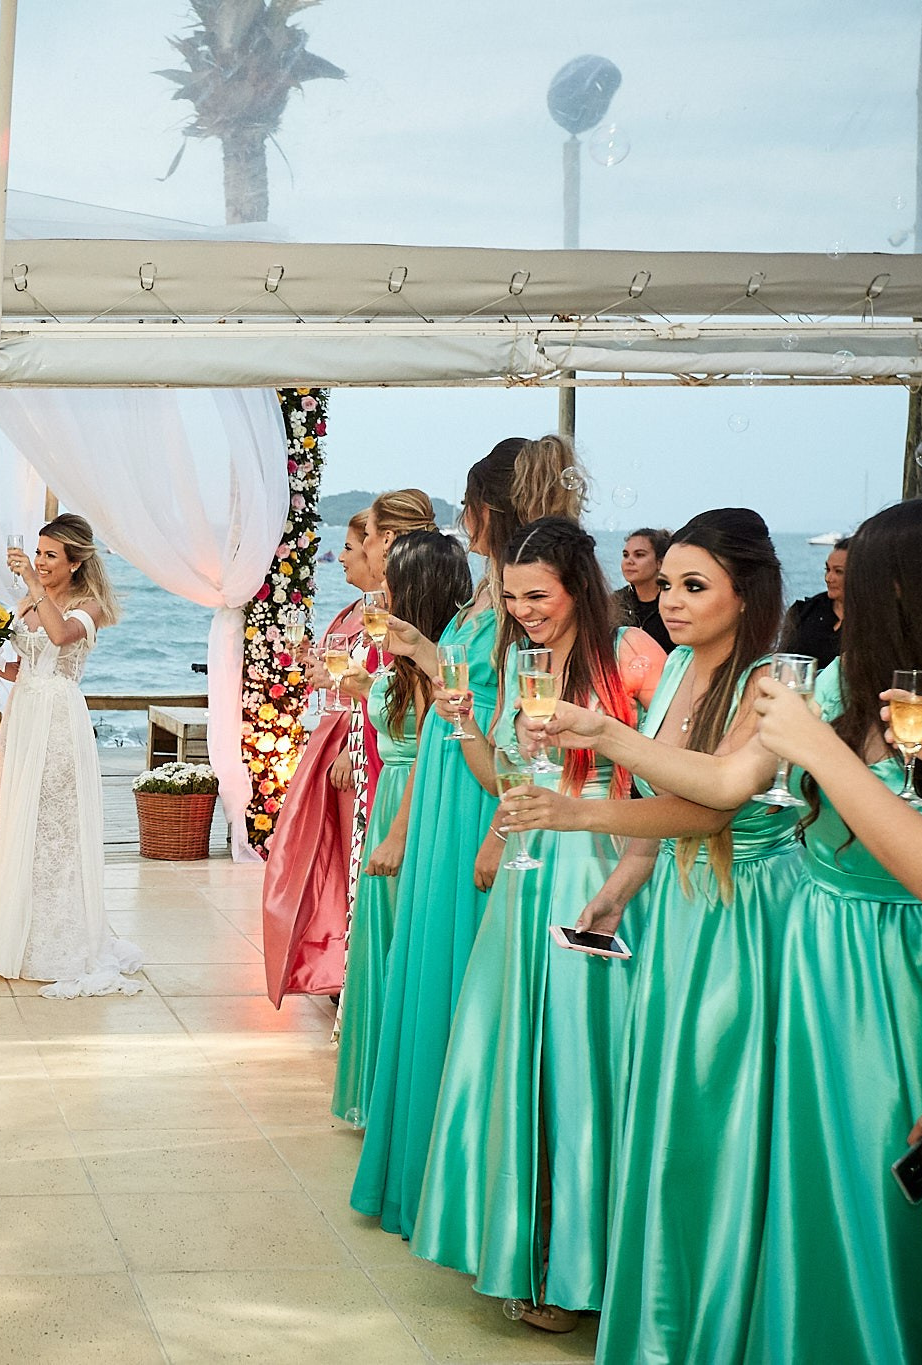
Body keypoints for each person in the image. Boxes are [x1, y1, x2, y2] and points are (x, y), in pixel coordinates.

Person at [500, 508, 801, 1362]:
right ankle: (661, 1309)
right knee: (659, 1108)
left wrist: (578, 791)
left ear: (749, 596)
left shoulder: (768, 683)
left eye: (694, 585)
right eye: (666, 583)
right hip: (673, 901)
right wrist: (620, 887)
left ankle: (717, 1318)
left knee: (715, 1115)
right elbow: (666, 810)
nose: (670, 600)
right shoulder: (673, 675)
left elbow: (715, 797)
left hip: (739, 914)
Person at [731, 498, 922, 1363]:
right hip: (823, 969)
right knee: (816, 1195)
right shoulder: (872, 692)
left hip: (913, 982)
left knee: (896, 1207)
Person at [411, 517, 665, 1331]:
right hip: (528, 875)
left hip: (596, 867)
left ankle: (579, 1267)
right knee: (513, 1054)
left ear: (576, 585)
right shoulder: (518, 660)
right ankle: (528, 1247)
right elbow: (506, 781)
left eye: (538, 595)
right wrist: (459, 724)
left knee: (580, 1062)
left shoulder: (629, 657)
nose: (523, 609)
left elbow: (670, 774)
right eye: (513, 596)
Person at [349, 432, 585, 1239]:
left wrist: (495, 828)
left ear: (486, 511)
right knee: (429, 969)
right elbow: (460, 704)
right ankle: (423, 1179)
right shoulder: (488, 604)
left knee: (459, 982)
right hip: (451, 788)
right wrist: (418, 645)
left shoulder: (518, 612)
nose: (462, 514)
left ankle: (458, 1192)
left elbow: (522, 733)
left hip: (476, 807)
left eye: (468, 501)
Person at [0, 513, 140, 996]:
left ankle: (61, 940)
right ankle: (16, 932)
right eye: (37, 553)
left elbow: (59, 639)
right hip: (24, 715)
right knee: (20, 821)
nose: (39, 562)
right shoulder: (26, 603)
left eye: (50, 556)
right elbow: (19, 668)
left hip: (58, 719)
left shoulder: (87, 606)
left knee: (54, 823)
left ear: (75, 563)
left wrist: (33, 586)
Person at [261, 489, 438, 1008]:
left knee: (359, 857)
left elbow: (396, 680)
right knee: (336, 856)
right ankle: (348, 967)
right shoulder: (361, 610)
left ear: (382, 543)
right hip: (356, 736)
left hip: (379, 748)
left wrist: (355, 738)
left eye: (351, 545)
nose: (342, 556)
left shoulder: (395, 611)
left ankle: (363, 976)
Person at [330, 529, 471, 1126]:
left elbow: (428, 744)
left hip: (410, 803)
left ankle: (390, 1103)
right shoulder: (409, 660)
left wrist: (395, 834)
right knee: (379, 943)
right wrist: (358, 683)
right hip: (390, 794)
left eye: (392, 585)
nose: (380, 596)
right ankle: (378, 1095)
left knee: (395, 947)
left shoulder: (435, 663)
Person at [779, 537, 847, 665]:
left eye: (839, 572)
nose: (828, 578)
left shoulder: (873, 622)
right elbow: (783, 661)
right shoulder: (803, 612)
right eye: (827, 570)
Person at [615, 526, 674, 652]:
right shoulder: (614, 603)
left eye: (639, 555)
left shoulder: (673, 603)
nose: (629, 561)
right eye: (625, 555)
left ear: (660, 562)